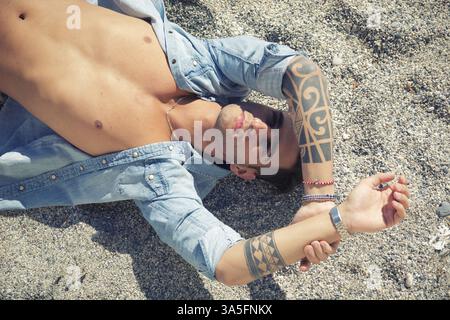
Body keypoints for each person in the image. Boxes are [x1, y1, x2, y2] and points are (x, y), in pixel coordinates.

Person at [0, 0, 410, 286]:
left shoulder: (159, 177)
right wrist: (321, 197)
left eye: (266, 145)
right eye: (271, 118)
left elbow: (228, 264)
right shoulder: (208, 65)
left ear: (243, 171)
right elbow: (302, 73)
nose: (259, 125)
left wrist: (341, 221)